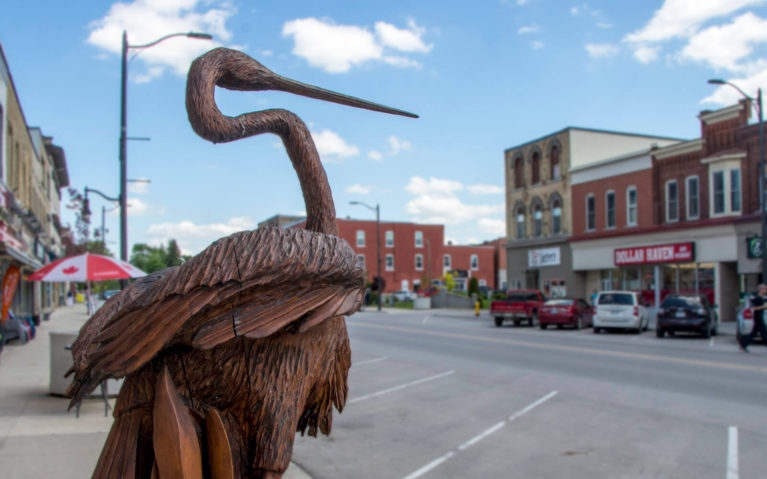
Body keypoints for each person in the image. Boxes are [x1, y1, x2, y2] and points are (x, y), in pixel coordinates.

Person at [740, 283, 767, 352]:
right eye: (765, 289)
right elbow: (754, 308)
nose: (766, 290)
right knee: (763, 333)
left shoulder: (761, 298)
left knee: (754, 333)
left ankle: (743, 345)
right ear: (761, 289)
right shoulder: (757, 298)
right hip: (758, 317)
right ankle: (743, 345)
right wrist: (763, 307)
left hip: (759, 317)